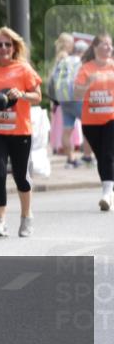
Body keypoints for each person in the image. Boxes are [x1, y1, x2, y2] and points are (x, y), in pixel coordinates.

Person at [0, 26, 42, 238]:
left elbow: (38, 97)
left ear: (14, 48)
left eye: (7, 44)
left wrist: (21, 94)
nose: (3, 48)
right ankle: (1, 221)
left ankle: (26, 216)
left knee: (21, 176)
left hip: (20, 131)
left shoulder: (24, 69)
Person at [74, 33, 114, 211]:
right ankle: (110, 191)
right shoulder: (86, 69)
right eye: (105, 44)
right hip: (90, 121)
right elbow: (77, 95)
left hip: (111, 118)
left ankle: (106, 194)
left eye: (110, 45)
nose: (108, 48)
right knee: (101, 158)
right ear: (95, 47)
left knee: (107, 155)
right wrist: (87, 84)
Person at [49, 39, 88, 167]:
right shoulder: (80, 62)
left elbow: (52, 81)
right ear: (82, 52)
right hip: (77, 99)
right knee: (90, 125)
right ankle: (88, 156)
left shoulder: (63, 62)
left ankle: (70, 159)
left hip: (63, 101)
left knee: (67, 130)